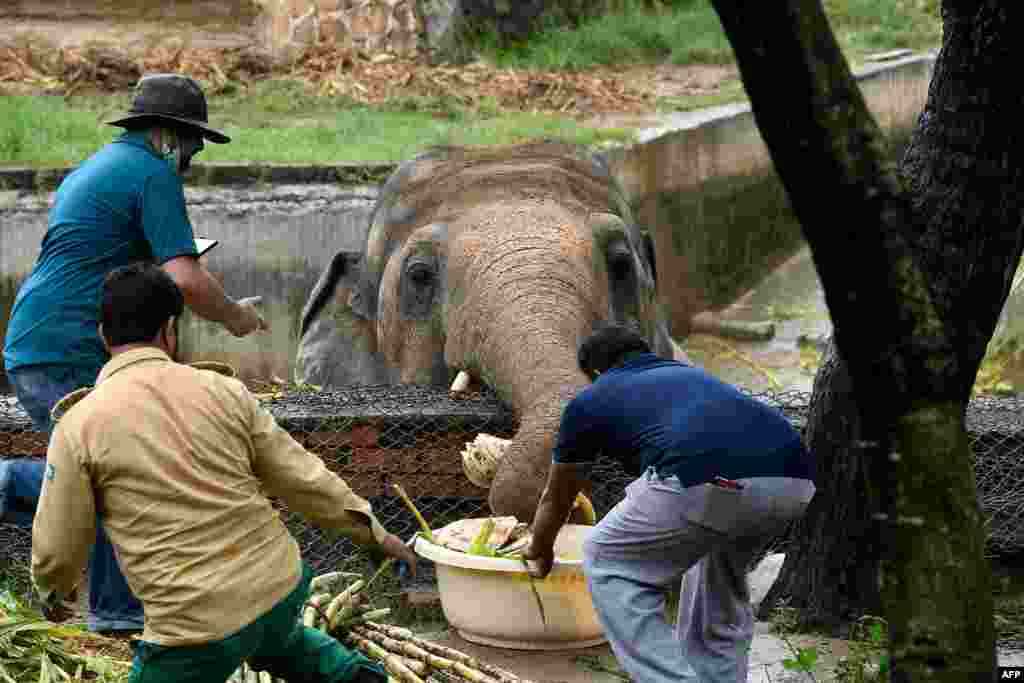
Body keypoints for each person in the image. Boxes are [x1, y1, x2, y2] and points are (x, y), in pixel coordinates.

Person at [31, 262, 418, 683]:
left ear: (103, 335)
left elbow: (57, 544)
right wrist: (377, 534)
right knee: (281, 641)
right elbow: (304, 478)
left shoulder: (79, 424)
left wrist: (53, 589)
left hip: (194, 628)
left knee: (224, 645)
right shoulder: (225, 392)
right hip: (278, 588)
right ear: (169, 329)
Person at [1, 73, 267, 634]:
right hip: (68, 345)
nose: (191, 157)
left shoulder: (101, 167)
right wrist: (238, 318)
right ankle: (116, 616)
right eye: (192, 143)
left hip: (44, 337)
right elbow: (186, 279)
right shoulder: (152, 173)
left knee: (107, 471)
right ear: (168, 135)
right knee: (107, 474)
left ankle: (117, 615)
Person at [523, 323, 816, 683]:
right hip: (794, 485)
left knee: (606, 556)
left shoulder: (590, 399)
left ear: (595, 372)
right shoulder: (691, 377)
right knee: (715, 577)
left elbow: (557, 497)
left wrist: (540, 546)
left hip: (711, 481)